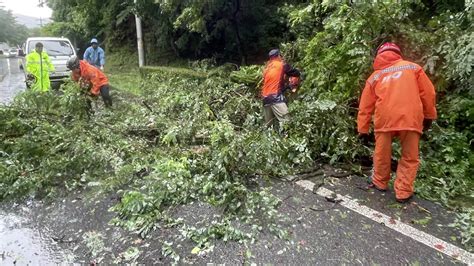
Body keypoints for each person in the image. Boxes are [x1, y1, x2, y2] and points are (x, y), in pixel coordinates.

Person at [357, 42, 437, 203]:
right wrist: (429, 116)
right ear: (398, 53)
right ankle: (403, 192)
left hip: (384, 119)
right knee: (409, 156)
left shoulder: (375, 77)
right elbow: (428, 94)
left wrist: (362, 129)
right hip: (410, 118)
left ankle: (379, 182)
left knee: (381, 154)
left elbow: (365, 107)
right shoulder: (413, 68)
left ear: (378, 55)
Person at [261, 49, 300, 131]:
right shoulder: (281, 65)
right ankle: (287, 140)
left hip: (265, 98)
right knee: (287, 122)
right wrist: (294, 82)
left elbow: (273, 84)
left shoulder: (266, 69)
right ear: (278, 56)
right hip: (275, 98)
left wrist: (286, 87)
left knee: (269, 127)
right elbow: (295, 73)